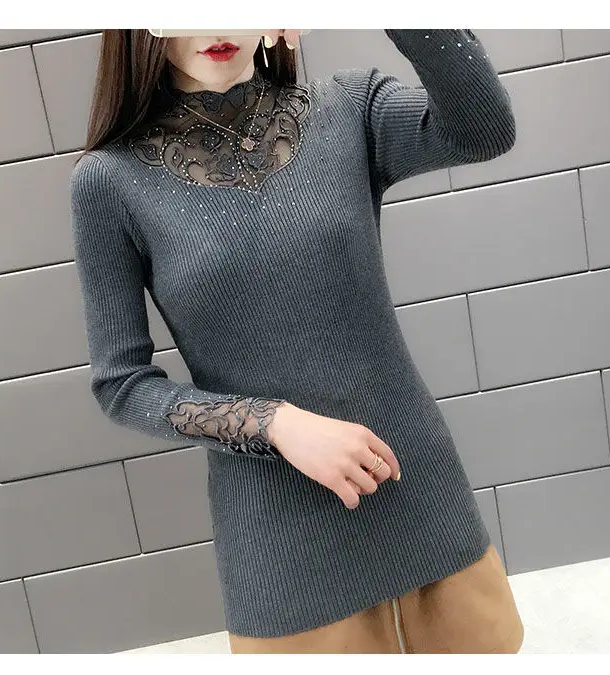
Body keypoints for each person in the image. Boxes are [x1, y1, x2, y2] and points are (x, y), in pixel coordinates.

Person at [70, 28, 524, 654]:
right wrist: (275, 424)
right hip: (281, 539)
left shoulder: (349, 108)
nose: (217, 27)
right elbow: (122, 386)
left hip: (416, 493)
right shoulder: (109, 181)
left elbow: (484, 129)